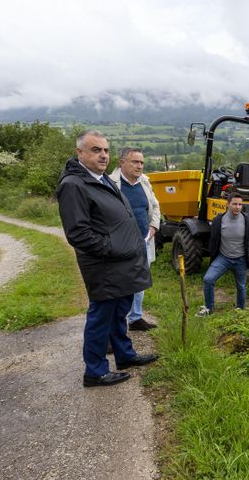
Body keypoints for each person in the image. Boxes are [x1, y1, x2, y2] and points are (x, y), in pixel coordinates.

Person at [55, 129, 158, 387]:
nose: (103, 155)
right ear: (80, 153)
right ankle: (95, 371)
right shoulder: (73, 185)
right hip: (104, 266)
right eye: (96, 150)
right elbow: (78, 233)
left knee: (118, 313)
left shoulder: (101, 178)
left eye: (106, 150)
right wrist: (112, 247)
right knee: (101, 317)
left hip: (120, 264)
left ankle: (125, 356)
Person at [109, 146, 160, 331]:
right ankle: (116, 325)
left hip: (144, 241)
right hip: (122, 244)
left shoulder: (145, 182)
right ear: (122, 162)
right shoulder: (111, 184)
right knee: (120, 284)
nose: (139, 166)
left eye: (141, 162)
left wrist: (153, 227)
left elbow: (155, 205)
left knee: (140, 282)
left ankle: (135, 318)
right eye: (135, 162)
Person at [198, 192, 249, 316]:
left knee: (241, 286)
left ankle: (240, 310)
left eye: (240, 204)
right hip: (223, 258)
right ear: (228, 204)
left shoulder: (248, 221)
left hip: (241, 259)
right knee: (208, 279)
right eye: (234, 204)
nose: (237, 207)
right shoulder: (218, 220)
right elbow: (214, 239)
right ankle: (209, 308)